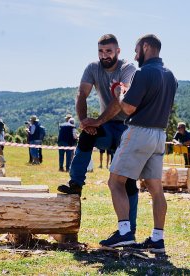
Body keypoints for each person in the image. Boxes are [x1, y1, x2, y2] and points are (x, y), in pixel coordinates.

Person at [87, 34, 177, 252]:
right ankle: (158, 239)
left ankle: (125, 232)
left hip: (139, 132)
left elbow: (127, 108)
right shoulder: (170, 75)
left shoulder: (145, 72)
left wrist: (119, 93)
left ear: (146, 47)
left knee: (115, 182)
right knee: (156, 189)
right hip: (159, 135)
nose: (135, 55)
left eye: (137, 50)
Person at [56, 34, 139, 235]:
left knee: (126, 180)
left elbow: (120, 100)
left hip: (128, 127)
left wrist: (97, 121)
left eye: (109, 51)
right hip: (106, 125)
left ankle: (129, 229)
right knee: (86, 136)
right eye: (101, 51)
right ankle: (76, 183)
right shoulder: (92, 68)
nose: (104, 55)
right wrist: (85, 121)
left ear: (118, 51)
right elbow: (81, 94)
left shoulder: (128, 68)